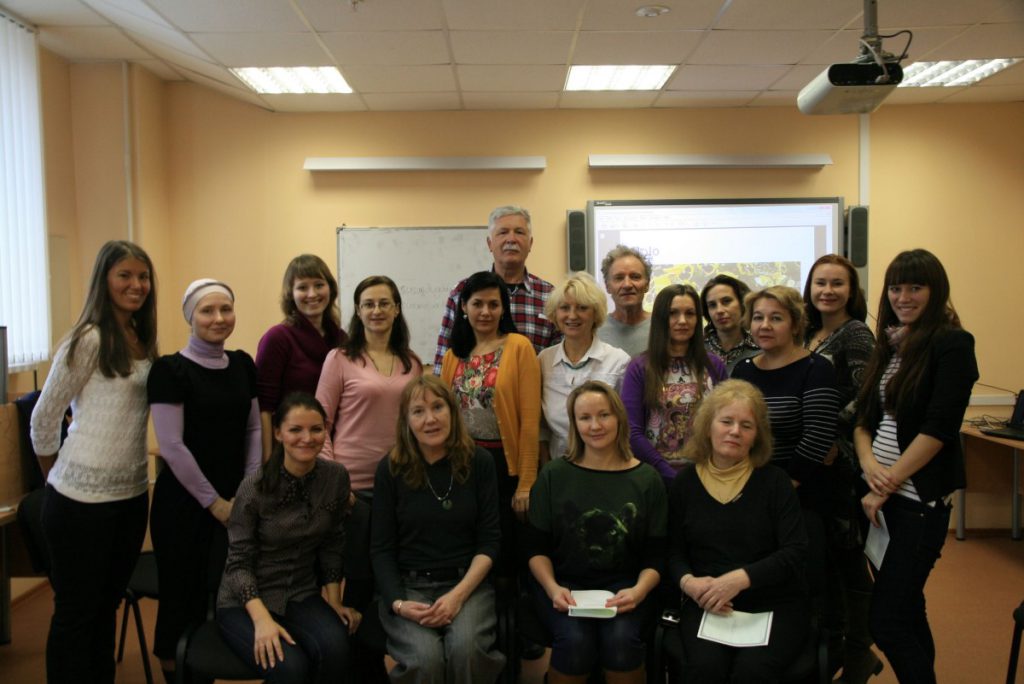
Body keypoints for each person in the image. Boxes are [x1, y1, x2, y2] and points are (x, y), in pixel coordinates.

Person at [30, 240, 158, 683]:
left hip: (130, 496)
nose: (136, 285)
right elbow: (43, 418)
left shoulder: (142, 337)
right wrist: (56, 481)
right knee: (76, 615)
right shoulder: (87, 338)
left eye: (142, 277)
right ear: (104, 280)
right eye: (125, 275)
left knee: (106, 609)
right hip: (78, 501)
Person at [854, 249, 978, 684]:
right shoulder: (892, 342)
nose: (903, 296)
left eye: (915, 287)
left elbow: (939, 428)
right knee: (908, 609)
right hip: (880, 501)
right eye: (895, 287)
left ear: (935, 290)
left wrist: (887, 484)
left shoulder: (952, 343)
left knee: (886, 622)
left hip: (915, 503)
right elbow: (865, 419)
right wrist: (869, 465)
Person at [147, 279, 262, 682]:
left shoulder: (244, 364)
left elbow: (252, 432)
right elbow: (173, 446)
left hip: (236, 501)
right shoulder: (169, 370)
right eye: (207, 311)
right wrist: (214, 503)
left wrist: (246, 492)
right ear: (190, 317)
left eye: (225, 309)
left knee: (226, 595)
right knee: (182, 599)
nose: (218, 318)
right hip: (185, 506)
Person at [668, 380, 809, 683]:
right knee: (704, 669)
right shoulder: (685, 483)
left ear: (756, 437)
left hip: (772, 602)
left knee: (752, 673)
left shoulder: (775, 482)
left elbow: (795, 551)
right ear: (708, 427)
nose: (735, 431)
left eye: (746, 425)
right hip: (706, 602)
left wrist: (740, 579)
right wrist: (688, 582)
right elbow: (672, 550)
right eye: (727, 421)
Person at [526, 380, 666, 683]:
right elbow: (536, 549)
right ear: (574, 424)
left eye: (604, 415)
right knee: (575, 643)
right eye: (584, 418)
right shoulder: (554, 475)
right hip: (563, 584)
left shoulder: (647, 480)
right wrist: (553, 589)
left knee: (621, 643)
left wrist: (639, 591)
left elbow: (657, 555)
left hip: (626, 586)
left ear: (619, 417)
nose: (595, 425)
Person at [371, 376, 506, 683]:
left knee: (467, 650)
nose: (430, 419)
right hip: (409, 588)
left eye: (437, 407)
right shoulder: (390, 469)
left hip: (467, 584)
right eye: (418, 411)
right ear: (406, 421)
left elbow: (490, 541)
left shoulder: (480, 462)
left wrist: (458, 596)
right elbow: (381, 550)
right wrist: (399, 604)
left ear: (453, 411)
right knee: (425, 660)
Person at [217, 392, 356, 683]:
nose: (307, 438)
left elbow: (333, 542)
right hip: (244, 601)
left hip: (300, 592)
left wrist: (334, 602)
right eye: (295, 429)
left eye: (316, 429)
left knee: (338, 648)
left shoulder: (336, 477)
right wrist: (261, 619)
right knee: (290, 668)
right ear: (278, 433)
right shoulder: (253, 488)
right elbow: (238, 564)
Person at [801, 255, 879, 683]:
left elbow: (865, 398)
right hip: (817, 463)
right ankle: (835, 644)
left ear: (852, 291)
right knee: (825, 559)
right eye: (820, 283)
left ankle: (860, 652)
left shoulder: (855, 334)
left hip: (843, 464)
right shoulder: (811, 333)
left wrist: (828, 434)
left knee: (849, 561)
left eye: (837, 284)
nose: (827, 291)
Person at [440, 270, 541, 575]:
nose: (485, 312)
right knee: (467, 545)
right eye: (477, 303)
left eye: (494, 305)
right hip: (461, 465)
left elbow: (529, 421)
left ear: (503, 309)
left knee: (504, 552)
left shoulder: (519, 347)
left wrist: (526, 482)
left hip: (503, 466)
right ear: (463, 307)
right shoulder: (453, 355)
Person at [731, 286, 840, 510]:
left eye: (776, 318)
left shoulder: (816, 369)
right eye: (758, 317)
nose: (764, 326)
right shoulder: (743, 370)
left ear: (796, 324)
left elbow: (818, 436)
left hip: (801, 493)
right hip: (749, 486)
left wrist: (783, 488)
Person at [316, 275, 422, 497]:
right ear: (358, 311)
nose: (376, 311)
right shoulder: (339, 359)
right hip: (351, 484)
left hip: (401, 480)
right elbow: (320, 423)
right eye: (368, 304)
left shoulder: (412, 363)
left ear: (396, 309)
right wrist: (332, 479)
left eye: (384, 303)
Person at [433, 205, 559, 373]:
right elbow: (444, 357)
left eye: (519, 232)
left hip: (533, 395)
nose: (511, 239)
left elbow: (559, 361)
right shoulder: (462, 291)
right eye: (503, 232)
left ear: (530, 243)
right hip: (470, 393)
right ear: (490, 243)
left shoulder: (551, 296)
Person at [621, 284, 727, 483]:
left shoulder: (714, 366)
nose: (682, 321)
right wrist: (667, 472)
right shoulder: (639, 367)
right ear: (661, 318)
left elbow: (726, 423)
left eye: (690, 313)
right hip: (655, 477)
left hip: (708, 477)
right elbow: (631, 431)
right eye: (673, 313)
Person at [256, 254, 346, 456]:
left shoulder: (341, 339)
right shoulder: (277, 338)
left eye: (319, 285)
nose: (312, 294)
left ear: (330, 289)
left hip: (331, 449)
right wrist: (268, 461)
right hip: (289, 450)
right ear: (291, 294)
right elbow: (264, 408)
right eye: (302, 287)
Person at [539, 273, 630, 461]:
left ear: (595, 313)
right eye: (564, 308)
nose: (572, 315)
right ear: (555, 314)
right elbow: (541, 427)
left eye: (582, 308)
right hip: (559, 468)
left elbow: (627, 424)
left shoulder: (619, 361)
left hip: (606, 465)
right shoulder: (543, 360)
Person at [596, 245, 653, 358]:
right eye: (619, 278)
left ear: (647, 285)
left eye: (635, 277)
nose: (627, 285)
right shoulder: (594, 330)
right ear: (607, 286)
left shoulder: (663, 327)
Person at [699, 275, 760, 373]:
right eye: (712, 305)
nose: (719, 310)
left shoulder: (760, 350)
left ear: (742, 303)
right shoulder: (697, 350)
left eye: (726, 301)